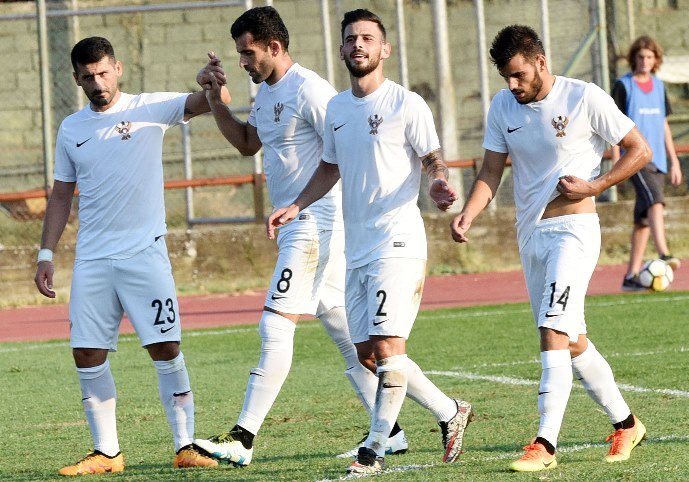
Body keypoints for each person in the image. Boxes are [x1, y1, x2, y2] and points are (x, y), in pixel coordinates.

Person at [191, 7, 407, 466]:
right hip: (297, 222)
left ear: (274, 47)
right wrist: (214, 101)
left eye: (248, 53)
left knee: (274, 322)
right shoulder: (267, 92)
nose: (243, 62)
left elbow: (345, 148)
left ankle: (243, 437)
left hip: (314, 222)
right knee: (348, 335)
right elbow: (248, 142)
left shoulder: (309, 89)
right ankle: (399, 429)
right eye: (239, 54)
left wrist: (339, 206)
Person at [269, 9, 472, 476]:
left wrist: (438, 183)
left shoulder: (406, 103)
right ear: (342, 49)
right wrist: (297, 204)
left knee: (387, 346)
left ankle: (374, 450)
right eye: (350, 39)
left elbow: (433, 159)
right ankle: (450, 411)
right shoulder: (338, 109)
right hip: (356, 247)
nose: (358, 45)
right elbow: (330, 167)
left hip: (397, 242)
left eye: (367, 38)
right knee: (368, 354)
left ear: (385, 49)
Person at [450, 25, 650, 472]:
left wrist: (595, 185)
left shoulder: (584, 97)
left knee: (551, 331)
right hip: (531, 236)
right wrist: (469, 213)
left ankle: (545, 444)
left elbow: (639, 149)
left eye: (519, 74)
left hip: (573, 232)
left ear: (540, 62)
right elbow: (490, 171)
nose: (512, 85)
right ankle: (627, 423)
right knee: (572, 340)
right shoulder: (503, 106)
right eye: (506, 77)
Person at [34, 36, 225, 475]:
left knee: (165, 346)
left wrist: (212, 84)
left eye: (103, 73)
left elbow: (207, 102)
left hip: (144, 254)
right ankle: (107, 452)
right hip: (93, 260)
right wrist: (46, 253)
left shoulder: (150, 107)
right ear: (76, 78)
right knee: (86, 353)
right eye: (88, 77)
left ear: (117, 68)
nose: (97, 83)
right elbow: (61, 194)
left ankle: (185, 446)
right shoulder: (71, 129)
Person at [612, 35, 682, 291]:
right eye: (641, 56)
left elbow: (664, 124)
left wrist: (674, 160)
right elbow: (613, 124)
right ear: (634, 58)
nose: (645, 61)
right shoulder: (623, 86)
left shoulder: (659, 86)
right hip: (635, 157)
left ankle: (631, 277)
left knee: (643, 220)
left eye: (649, 57)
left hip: (658, 159)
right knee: (655, 201)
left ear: (656, 60)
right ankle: (664, 252)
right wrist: (616, 158)